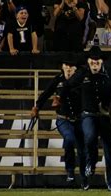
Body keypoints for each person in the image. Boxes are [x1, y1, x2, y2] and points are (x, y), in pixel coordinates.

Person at [68, 46, 111, 192]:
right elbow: (69, 85)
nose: (94, 63)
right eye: (92, 60)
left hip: (107, 116)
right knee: (89, 137)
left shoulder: (110, 73)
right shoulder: (82, 73)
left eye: (97, 60)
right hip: (89, 114)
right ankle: (90, 167)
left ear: (101, 61)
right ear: (88, 61)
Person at [31, 53, 84, 186]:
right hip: (63, 118)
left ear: (76, 69)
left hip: (80, 119)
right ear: (62, 67)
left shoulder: (82, 80)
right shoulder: (58, 80)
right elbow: (46, 93)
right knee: (69, 139)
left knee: (84, 146)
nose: (68, 68)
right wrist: (37, 107)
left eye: (71, 66)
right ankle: (70, 171)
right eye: (66, 65)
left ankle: (84, 172)